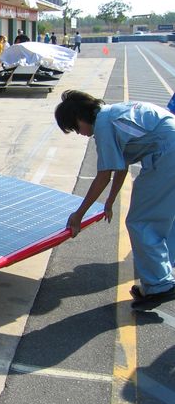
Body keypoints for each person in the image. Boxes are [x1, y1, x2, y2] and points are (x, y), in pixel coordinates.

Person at [55, 90, 175, 310]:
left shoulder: (103, 125)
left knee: (141, 221)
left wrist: (78, 215)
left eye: (75, 128)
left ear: (80, 117)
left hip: (168, 154)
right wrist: (109, 202)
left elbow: (104, 175)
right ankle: (162, 271)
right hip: (169, 145)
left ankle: (160, 285)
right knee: (166, 216)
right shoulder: (113, 112)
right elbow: (121, 166)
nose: (80, 134)